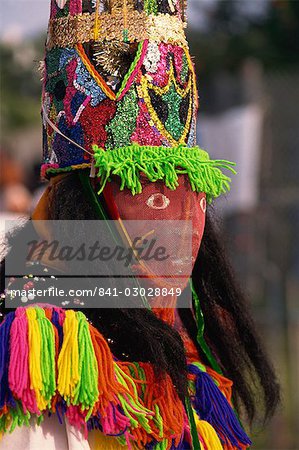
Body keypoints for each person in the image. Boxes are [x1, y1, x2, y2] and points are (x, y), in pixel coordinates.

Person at [0, 0, 280, 448]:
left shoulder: (187, 353)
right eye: (148, 192)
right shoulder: (38, 356)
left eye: (188, 191)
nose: (180, 222)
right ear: (85, 203)